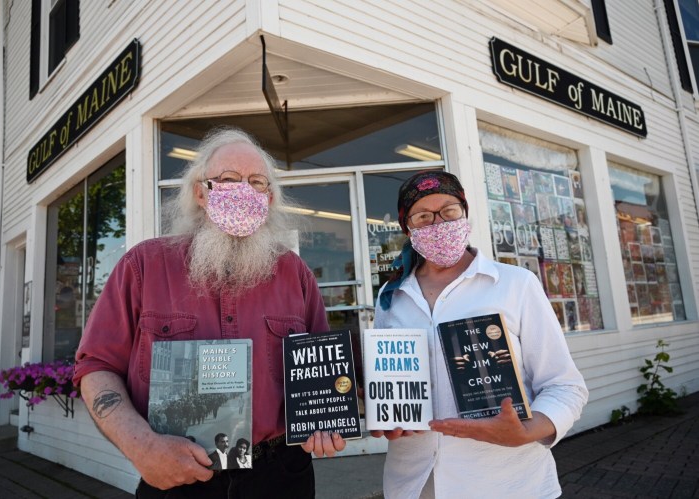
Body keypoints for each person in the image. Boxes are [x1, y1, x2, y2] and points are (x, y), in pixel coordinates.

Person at [73, 128, 345, 499]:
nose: (244, 190)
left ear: (268, 198)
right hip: (177, 472)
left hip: (280, 472)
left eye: (257, 182)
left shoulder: (293, 273)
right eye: (229, 179)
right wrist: (141, 447)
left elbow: (320, 369)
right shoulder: (143, 266)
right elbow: (96, 366)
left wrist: (325, 421)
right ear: (201, 193)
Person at [372, 171, 588, 498]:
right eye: (422, 216)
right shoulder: (391, 295)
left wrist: (527, 431)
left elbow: (565, 386)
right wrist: (385, 415)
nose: (438, 223)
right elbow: (391, 385)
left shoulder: (516, 284)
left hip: (506, 483)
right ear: (408, 228)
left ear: (465, 212)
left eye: (449, 211)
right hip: (414, 484)